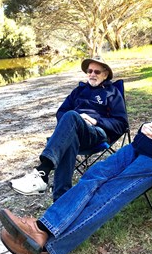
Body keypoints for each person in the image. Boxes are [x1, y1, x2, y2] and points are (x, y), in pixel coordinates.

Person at [0, 62, 152, 254]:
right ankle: (42, 228)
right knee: (94, 175)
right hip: (140, 147)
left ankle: (47, 247)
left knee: (110, 192)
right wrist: (147, 128)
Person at [10, 57, 128, 202]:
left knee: (72, 116)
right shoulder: (79, 91)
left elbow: (122, 123)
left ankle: (42, 172)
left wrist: (95, 120)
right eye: (89, 71)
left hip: (97, 133)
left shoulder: (112, 93)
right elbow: (61, 112)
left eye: (97, 71)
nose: (92, 74)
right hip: (75, 131)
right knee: (70, 131)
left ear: (105, 74)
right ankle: (61, 199)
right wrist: (73, 123)